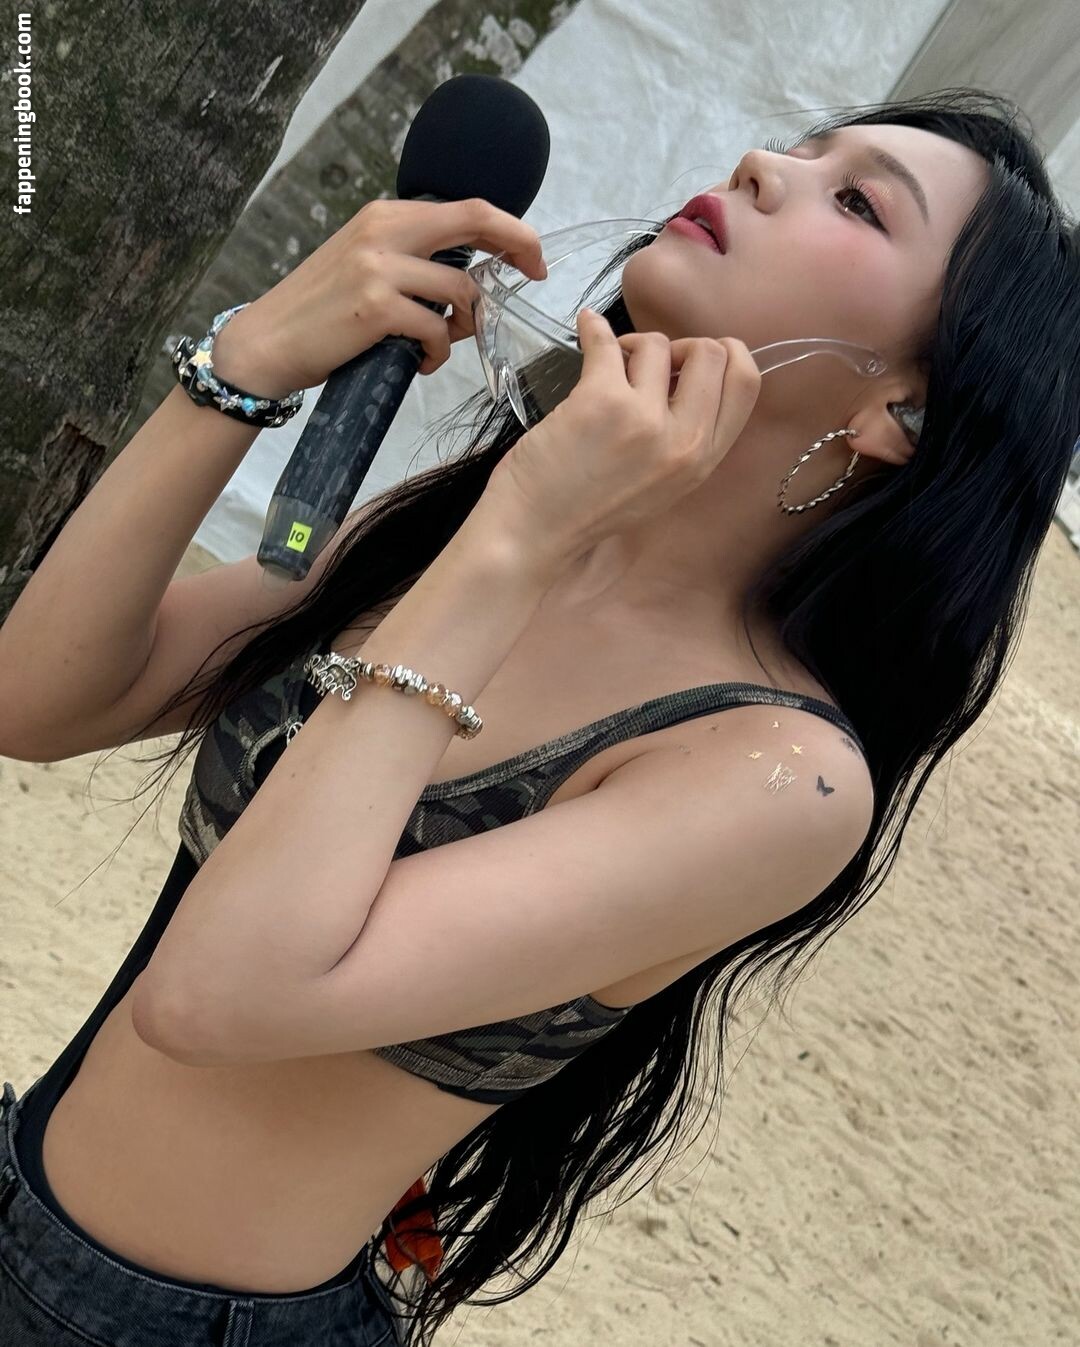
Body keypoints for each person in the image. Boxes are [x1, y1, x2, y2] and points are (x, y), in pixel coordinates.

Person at [1, 86, 1077, 1347]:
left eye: (856, 202)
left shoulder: (778, 773)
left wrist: (521, 534)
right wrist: (241, 369)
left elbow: (215, 999)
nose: (760, 164)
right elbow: (41, 696)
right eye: (800, 146)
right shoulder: (471, 538)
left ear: (903, 413)